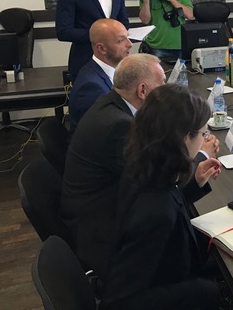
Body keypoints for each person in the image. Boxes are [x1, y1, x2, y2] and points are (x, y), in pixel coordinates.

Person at [60, 53, 220, 280]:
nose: (166, 88)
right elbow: (158, 188)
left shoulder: (112, 106)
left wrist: (195, 179)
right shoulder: (120, 126)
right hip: (106, 234)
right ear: (143, 90)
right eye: (162, 82)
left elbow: (163, 191)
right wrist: (200, 153)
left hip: (109, 213)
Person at [100, 85, 222, 310]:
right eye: (202, 134)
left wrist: (194, 183)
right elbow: (120, 302)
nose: (204, 139)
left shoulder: (143, 167)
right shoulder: (156, 212)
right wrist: (203, 291)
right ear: (184, 139)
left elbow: (168, 202)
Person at [67, 18, 133, 138]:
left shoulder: (102, 71)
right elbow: (103, 133)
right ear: (101, 49)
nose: (130, 44)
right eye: (121, 40)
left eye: (127, 37)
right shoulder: (91, 87)